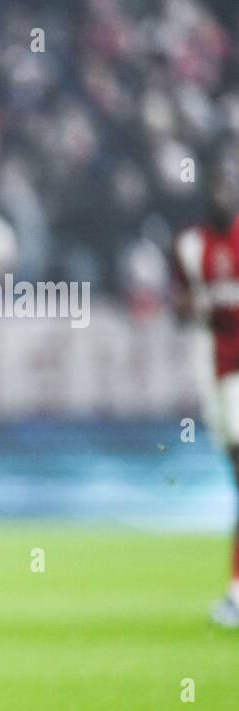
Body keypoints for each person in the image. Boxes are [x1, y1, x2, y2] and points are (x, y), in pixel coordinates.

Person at [173, 149, 239, 628]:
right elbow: (181, 311)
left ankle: (236, 591)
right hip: (211, 373)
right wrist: (191, 306)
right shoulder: (192, 246)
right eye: (216, 187)